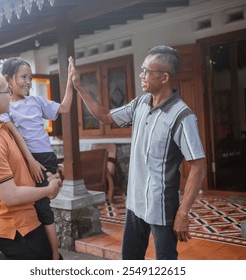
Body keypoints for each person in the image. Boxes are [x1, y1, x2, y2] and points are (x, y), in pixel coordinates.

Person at [71, 45, 206, 260]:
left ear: (164, 77)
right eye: (142, 70)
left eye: (146, 71)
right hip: (134, 202)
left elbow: (198, 165)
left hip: (162, 206)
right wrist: (79, 86)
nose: (141, 75)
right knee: (131, 260)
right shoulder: (141, 104)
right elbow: (105, 116)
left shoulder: (182, 115)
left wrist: (183, 213)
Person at [0, 62, 62, 260]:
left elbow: (21, 165)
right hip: (20, 233)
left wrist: (44, 175)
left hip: (30, 222)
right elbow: (11, 196)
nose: (11, 93)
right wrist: (48, 191)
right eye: (6, 90)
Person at [0, 57, 74, 260]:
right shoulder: (6, 109)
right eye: (23, 77)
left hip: (44, 158)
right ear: (7, 79)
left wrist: (70, 82)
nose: (28, 82)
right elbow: (14, 135)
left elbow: (65, 108)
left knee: (42, 207)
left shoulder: (36, 101)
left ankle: (54, 255)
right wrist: (30, 162)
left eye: (30, 78)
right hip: (26, 159)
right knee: (31, 206)